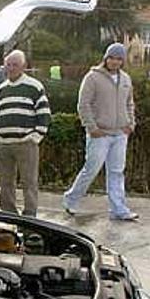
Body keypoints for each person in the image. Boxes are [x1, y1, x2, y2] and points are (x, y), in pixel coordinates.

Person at [62, 43, 138, 220]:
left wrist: (131, 124)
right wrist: (92, 128)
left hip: (120, 133)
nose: (115, 62)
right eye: (112, 58)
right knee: (91, 169)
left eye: (119, 59)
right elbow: (83, 104)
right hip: (100, 134)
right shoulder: (92, 77)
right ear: (106, 58)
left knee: (117, 171)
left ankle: (119, 209)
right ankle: (71, 199)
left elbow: (130, 103)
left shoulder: (126, 79)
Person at [0, 50, 50, 217]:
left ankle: (30, 214)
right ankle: (8, 214)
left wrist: (35, 137)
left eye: (15, 64)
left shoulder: (34, 87)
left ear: (23, 66)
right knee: (5, 182)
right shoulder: (1, 89)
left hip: (26, 143)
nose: (10, 68)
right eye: (8, 65)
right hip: (2, 143)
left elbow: (44, 114)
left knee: (29, 181)